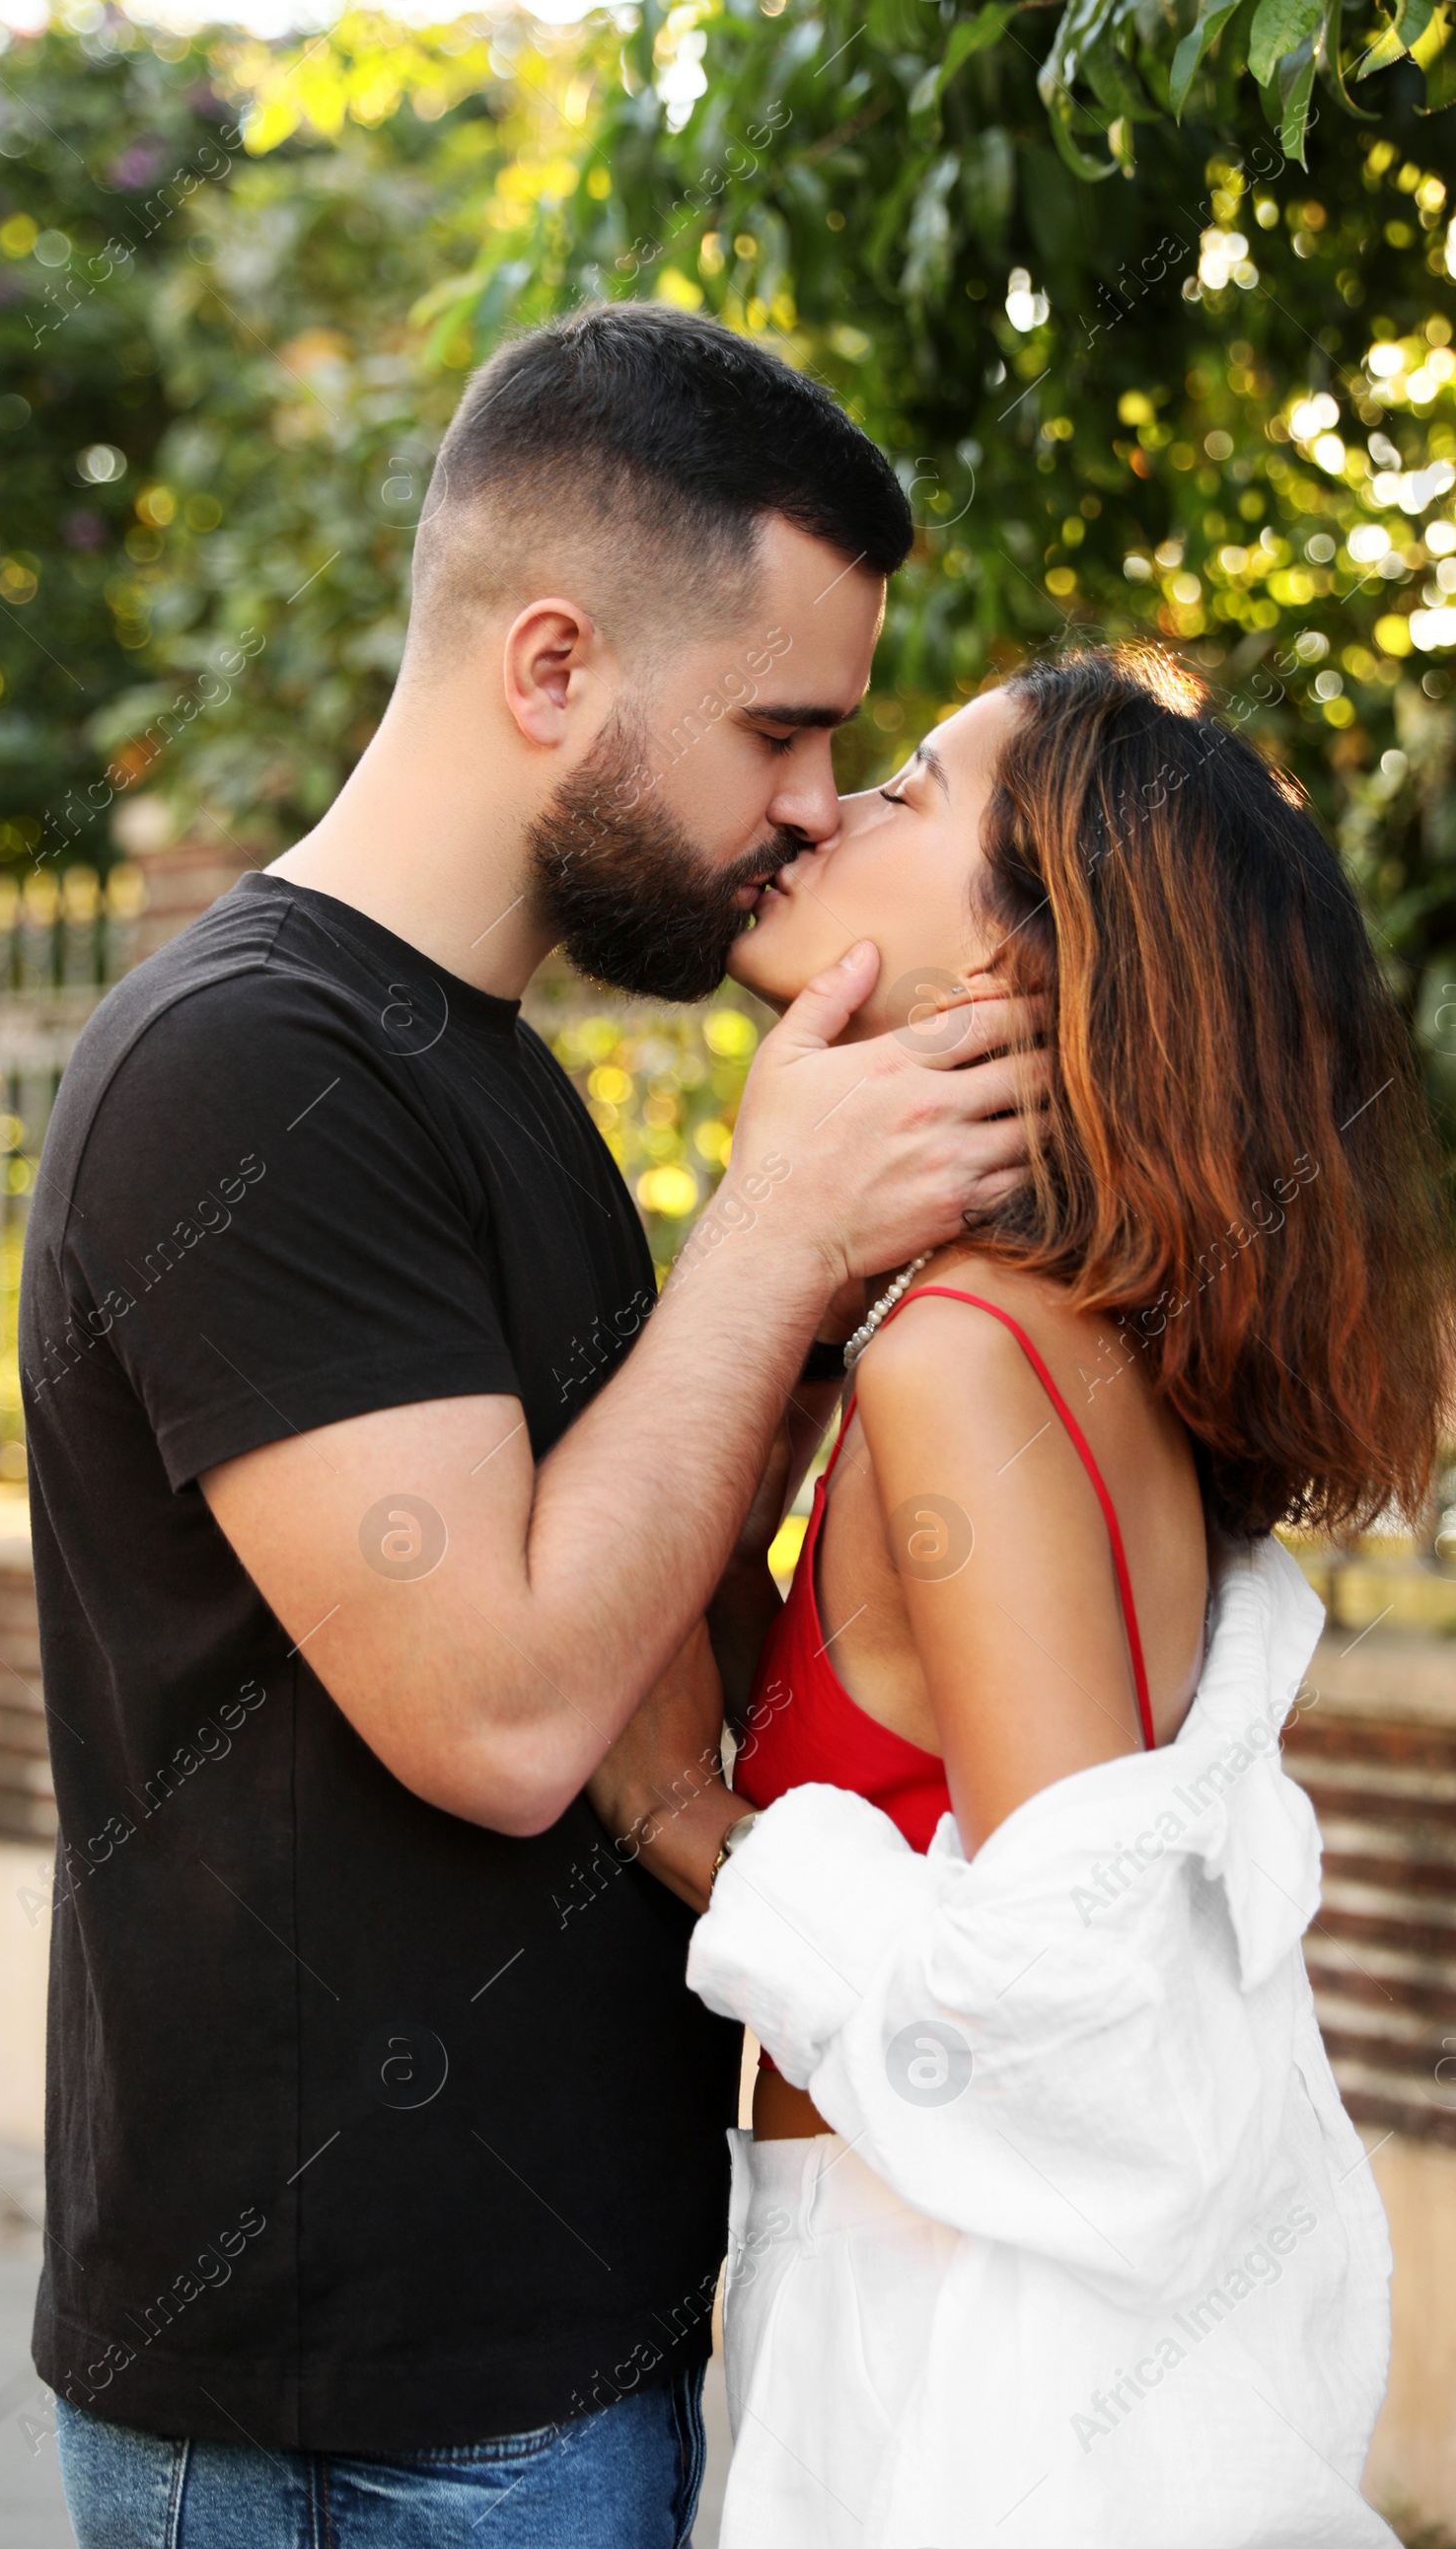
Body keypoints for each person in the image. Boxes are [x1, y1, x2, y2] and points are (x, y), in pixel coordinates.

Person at [22, 305, 1041, 2549]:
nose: (807, 803)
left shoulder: (481, 1063)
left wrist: (817, 1315)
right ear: (555, 666)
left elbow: (617, 1560)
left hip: (544, 2349)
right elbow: (494, 1708)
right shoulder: (249, 1069)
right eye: (782, 725)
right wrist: (771, 1234)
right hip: (358, 2406)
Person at [595, 646, 1452, 2546]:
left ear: (1020, 964)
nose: (828, 806)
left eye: (909, 790)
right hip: (955, 2311)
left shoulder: (969, 1358)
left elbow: (1061, 2012)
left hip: (977, 2374)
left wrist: (690, 1835)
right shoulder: (1031, 1333)